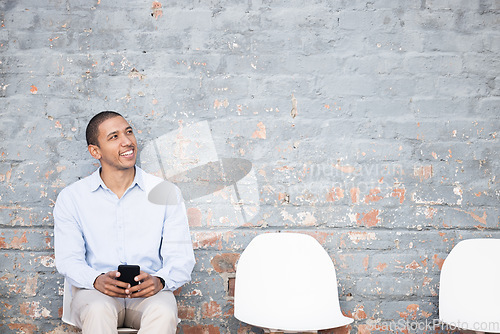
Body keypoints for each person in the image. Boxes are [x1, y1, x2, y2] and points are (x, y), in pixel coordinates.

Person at [54, 111, 195, 333]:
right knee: (98, 310)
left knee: (164, 312)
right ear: (95, 151)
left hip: (149, 295)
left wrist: (160, 280)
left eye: (128, 132)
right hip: (96, 294)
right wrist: (96, 280)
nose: (127, 141)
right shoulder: (72, 198)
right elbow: (68, 260)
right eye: (114, 137)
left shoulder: (165, 192)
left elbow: (182, 259)